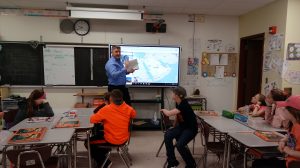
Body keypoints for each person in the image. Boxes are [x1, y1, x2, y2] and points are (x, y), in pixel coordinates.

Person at [88, 89, 136, 167]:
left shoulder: (106, 109)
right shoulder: (128, 108)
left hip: (112, 139)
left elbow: (92, 119)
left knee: (88, 142)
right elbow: (133, 115)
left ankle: (104, 162)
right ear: (122, 98)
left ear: (110, 99)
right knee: (100, 135)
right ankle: (104, 154)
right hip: (124, 139)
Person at [252, 95, 300, 168]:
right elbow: (290, 136)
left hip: (294, 164)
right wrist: (283, 141)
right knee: (257, 163)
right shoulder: (294, 125)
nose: (282, 110)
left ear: (293, 111)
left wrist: (290, 151)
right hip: (289, 161)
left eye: (285, 109)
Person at [160, 86, 198, 168]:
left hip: (191, 129)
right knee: (168, 135)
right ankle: (172, 161)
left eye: (173, 93)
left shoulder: (184, 104)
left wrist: (163, 110)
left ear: (178, 95)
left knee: (180, 145)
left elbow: (169, 113)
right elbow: (178, 117)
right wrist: (173, 127)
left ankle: (191, 164)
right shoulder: (178, 103)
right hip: (183, 127)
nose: (172, 94)